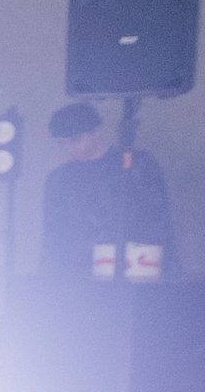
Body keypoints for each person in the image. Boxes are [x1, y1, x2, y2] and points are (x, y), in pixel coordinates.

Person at [40, 102, 173, 279]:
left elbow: (158, 222)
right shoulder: (58, 179)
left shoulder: (136, 166)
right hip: (76, 279)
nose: (69, 149)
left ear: (98, 132)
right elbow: (52, 235)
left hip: (133, 273)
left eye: (76, 140)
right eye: (62, 143)